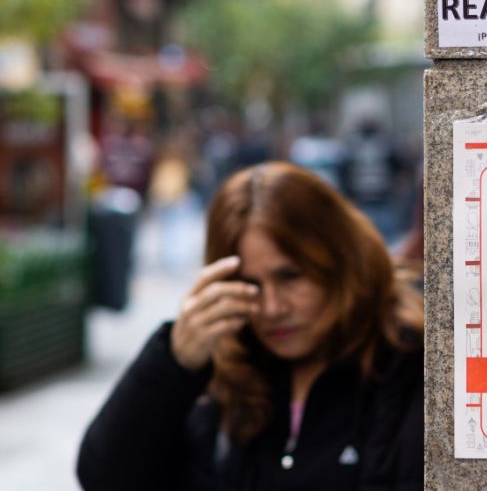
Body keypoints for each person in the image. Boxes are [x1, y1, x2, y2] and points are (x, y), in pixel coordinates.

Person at [77, 162, 425, 490]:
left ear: (338, 261)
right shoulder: (223, 370)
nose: (272, 308)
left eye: (290, 276)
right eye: (250, 285)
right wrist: (172, 361)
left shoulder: (405, 362)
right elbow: (104, 477)